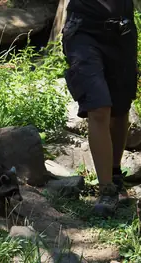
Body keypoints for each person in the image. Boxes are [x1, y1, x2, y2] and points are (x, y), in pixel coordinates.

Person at [61, 0, 139, 217]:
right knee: (98, 106)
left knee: (121, 108)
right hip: (84, 29)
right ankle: (106, 191)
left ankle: (114, 175)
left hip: (122, 30)